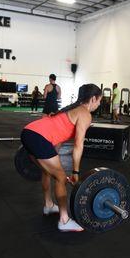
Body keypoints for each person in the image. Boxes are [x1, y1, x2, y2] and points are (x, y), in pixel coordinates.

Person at [20, 84, 102, 232]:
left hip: (28, 132)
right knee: (60, 178)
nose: (99, 104)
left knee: (48, 171)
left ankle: (49, 205)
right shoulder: (85, 114)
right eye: (99, 100)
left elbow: (58, 139)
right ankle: (64, 220)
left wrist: (53, 157)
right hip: (39, 137)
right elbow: (78, 145)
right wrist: (75, 172)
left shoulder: (69, 109)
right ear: (93, 98)